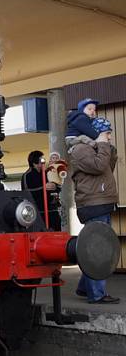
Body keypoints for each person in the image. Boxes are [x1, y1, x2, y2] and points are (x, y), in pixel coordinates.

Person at [68, 117, 120, 304]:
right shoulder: (80, 150)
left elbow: (107, 168)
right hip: (93, 204)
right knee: (98, 249)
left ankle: (84, 287)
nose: (109, 138)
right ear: (97, 133)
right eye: (107, 134)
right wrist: (103, 147)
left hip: (101, 202)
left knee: (96, 247)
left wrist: (106, 148)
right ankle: (97, 294)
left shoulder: (96, 149)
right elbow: (98, 167)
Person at [21, 150, 61, 230]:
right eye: (41, 160)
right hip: (38, 212)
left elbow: (57, 185)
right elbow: (27, 192)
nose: (43, 163)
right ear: (34, 163)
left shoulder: (47, 173)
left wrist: (55, 186)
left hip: (52, 210)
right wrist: (43, 188)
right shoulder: (27, 175)